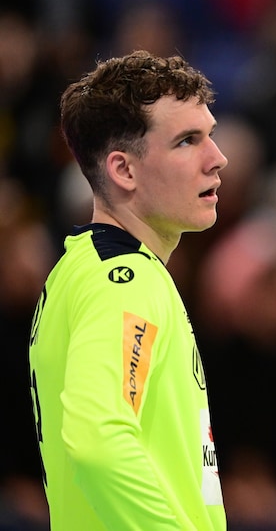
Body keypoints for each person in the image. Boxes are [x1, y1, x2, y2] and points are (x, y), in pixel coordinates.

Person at [28, 50, 228, 530]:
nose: (218, 158)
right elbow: (97, 439)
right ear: (124, 170)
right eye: (187, 141)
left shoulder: (80, 270)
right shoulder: (124, 280)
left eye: (211, 136)